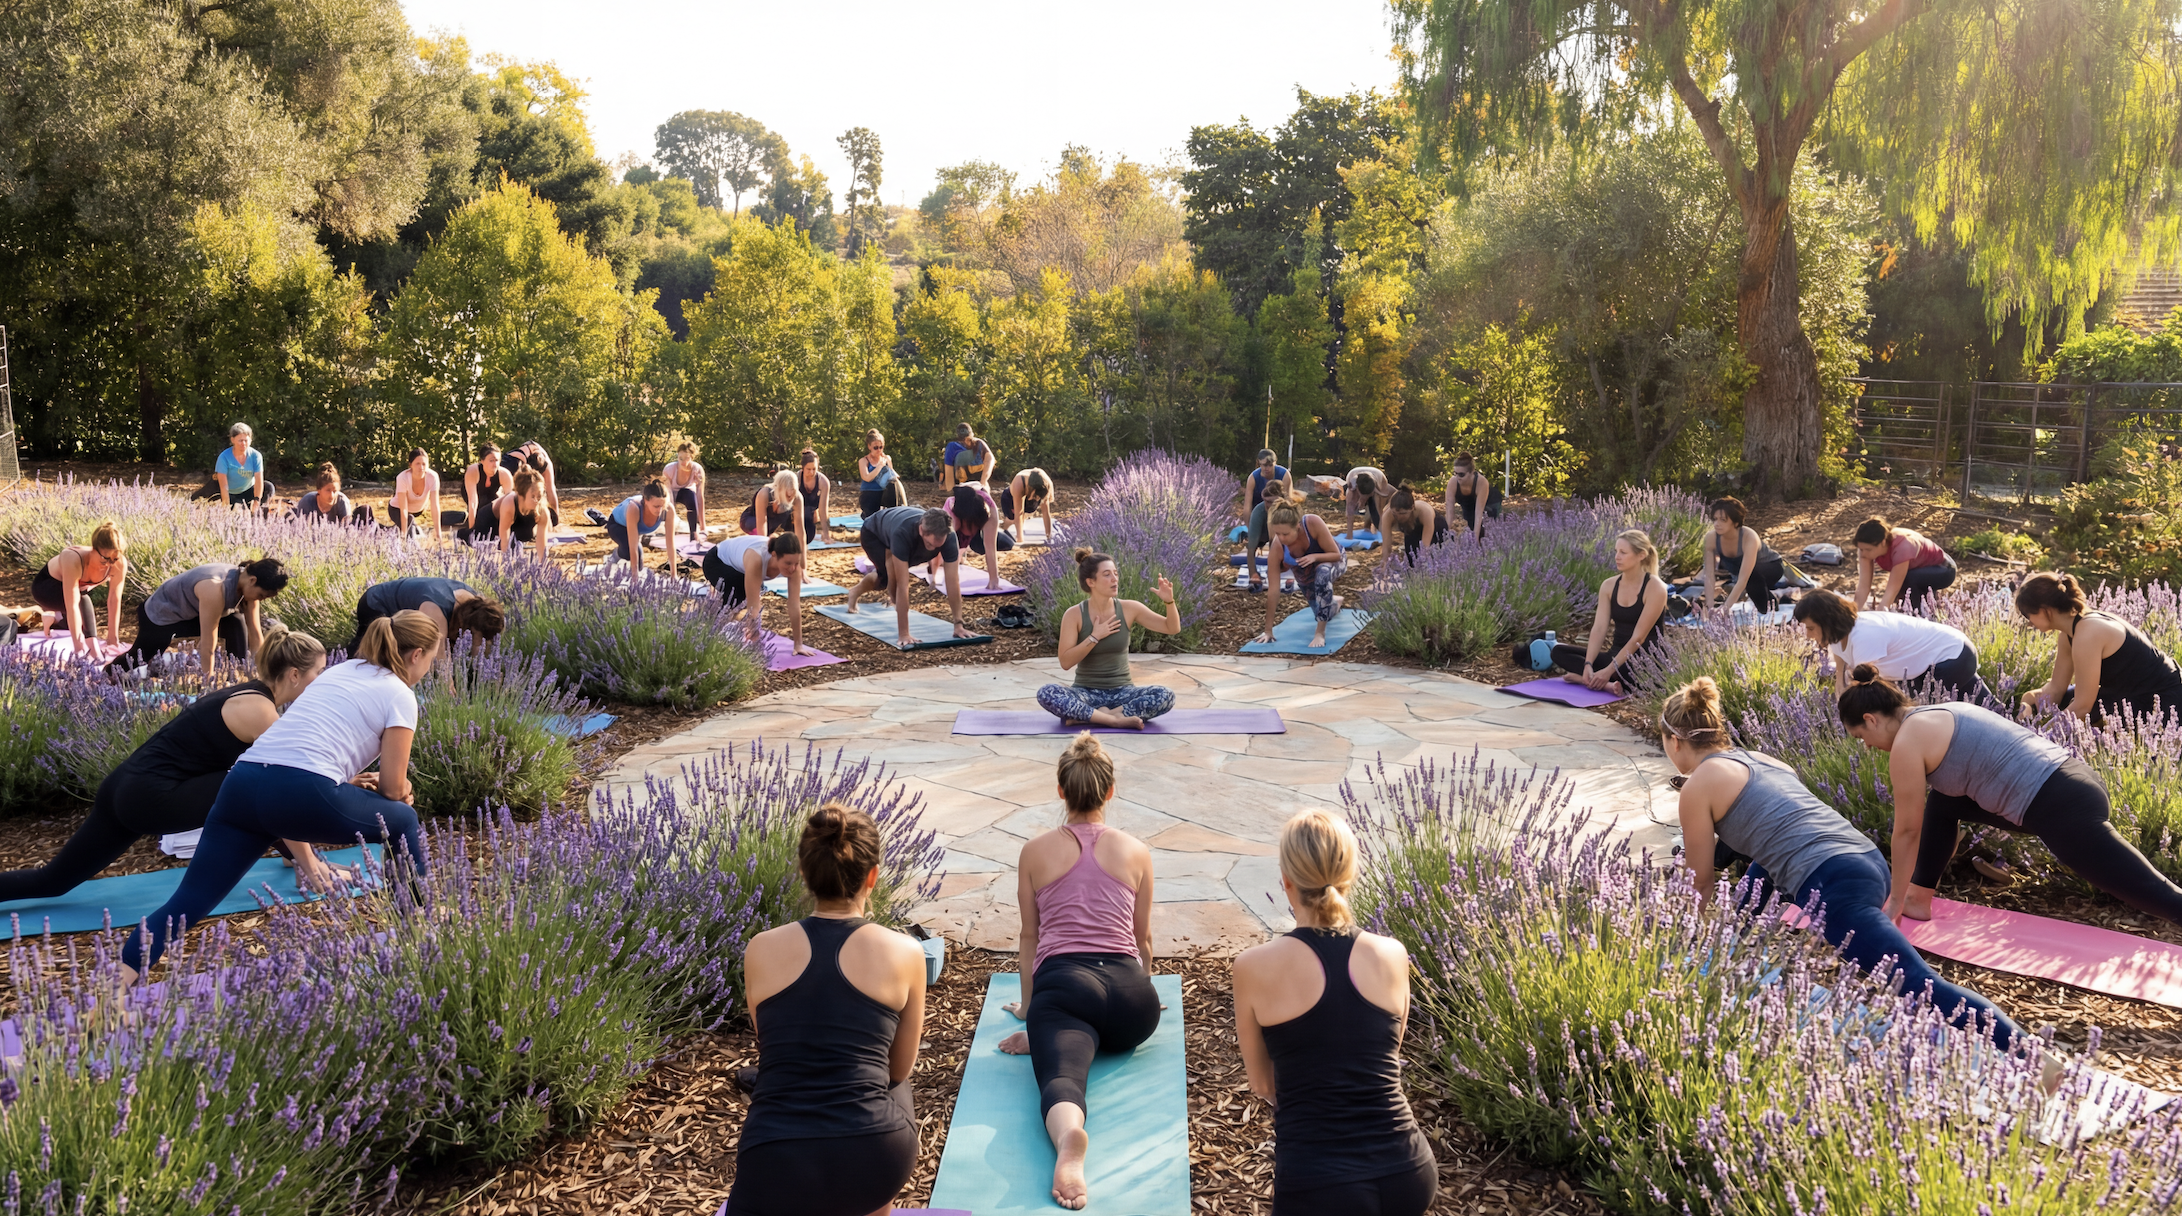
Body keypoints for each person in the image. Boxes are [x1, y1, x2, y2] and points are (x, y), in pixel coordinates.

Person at [1662, 677, 2022, 1048]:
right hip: (1866, 860)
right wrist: (1736, 924)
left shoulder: (1698, 786)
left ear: (1674, 741)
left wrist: (1684, 946)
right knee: (1910, 980)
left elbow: (1701, 882)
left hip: (1833, 883)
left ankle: (2029, 1054)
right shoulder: (1763, 760)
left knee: (1917, 984)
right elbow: (1771, 855)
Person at [119, 610, 442, 980]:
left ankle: (112, 992)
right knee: (402, 820)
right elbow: (391, 789)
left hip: (243, 783)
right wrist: (404, 791)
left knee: (189, 900)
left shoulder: (342, 670)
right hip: (299, 790)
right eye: (431, 660)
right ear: (416, 654)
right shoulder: (400, 695)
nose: (428, 669)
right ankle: (418, 930)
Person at [0, 630, 348, 905]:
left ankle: (295, 858)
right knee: (262, 785)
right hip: (153, 797)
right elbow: (277, 791)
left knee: (54, 881)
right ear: (294, 674)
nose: (324, 679)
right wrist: (308, 858)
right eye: (320, 671)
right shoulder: (262, 713)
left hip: (123, 787)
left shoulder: (245, 694)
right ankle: (306, 865)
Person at [1841, 665, 2182, 927]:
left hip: (2060, 807)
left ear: (1871, 720)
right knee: (1944, 802)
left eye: (1861, 736)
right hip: (2073, 781)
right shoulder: (1940, 712)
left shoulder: (1907, 743)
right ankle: (1919, 897)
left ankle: (1909, 900)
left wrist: (1893, 903)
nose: (1867, 746)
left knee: (2152, 893)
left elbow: (1907, 831)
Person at [1232, 811, 1437, 1216]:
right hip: (1408, 1170)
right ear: (1352, 874)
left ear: (1286, 881)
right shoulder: (1392, 954)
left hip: (1319, 1183)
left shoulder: (1253, 966)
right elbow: (1384, 1055)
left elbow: (1262, 1081)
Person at [731, 803, 927, 1216]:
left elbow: (774, 1042)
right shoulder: (906, 952)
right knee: (892, 1081)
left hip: (774, 1162)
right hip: (874, 1157)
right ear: (872, 877)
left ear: (803, 872)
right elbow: (898, 1070)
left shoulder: (760, 948)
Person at [997, 733, 1159, 1210]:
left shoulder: (1035, 851)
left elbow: (1030, 938)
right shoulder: (1137, 851)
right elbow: (1143, 938)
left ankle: (1070, 1136)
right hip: (1134, 1008)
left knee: (1062, 1077)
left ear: (1061, 790)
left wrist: (1031, 1011)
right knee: (1084, 1030)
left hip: (1067, 991)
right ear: (1110, 791)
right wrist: (1147, 987)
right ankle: (1062, 1032)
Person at [1036, 548, 1181, 729]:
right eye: (1107, 575)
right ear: (1091, 582)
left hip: (1123, 693)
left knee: (1165, 695)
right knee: (1047, 693)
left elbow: (1172, 628)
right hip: (1086, 693)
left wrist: (1169, 602)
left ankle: (1096, 717)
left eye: (1115, 573)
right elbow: (1066, 662)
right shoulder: (1074, 615)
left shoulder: (1129, 609)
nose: (1115, 579)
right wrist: (1094, 636)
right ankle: (1115, 720)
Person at [2018, 572, 2182, 725]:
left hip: (2160, 700)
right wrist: (2028, 701)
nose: (2029, 623)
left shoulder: (2088, 634)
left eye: (2028, 615)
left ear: (2045, 611)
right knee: (2063, 705)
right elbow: (2056, 689)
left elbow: (2082, 707)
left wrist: (2039, 735)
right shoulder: (2069, 633)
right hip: (2123, 693)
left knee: (2090, 723)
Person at [1793, 588, 1980, 699]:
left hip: (1953, 658)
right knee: (1985, 704)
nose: (1808, 636)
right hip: (1946, 653)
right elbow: (1842, 679)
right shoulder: (1837, 636)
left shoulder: (1864, 636)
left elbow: (1865, 691)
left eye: (1811, 628)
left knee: (1919, 713)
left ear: (1828, 621)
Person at [109, 558, 288, 673]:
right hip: (160, 617)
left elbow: (256, 636)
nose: (261, 600)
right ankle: (107, 674)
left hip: (189, 613)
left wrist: (261, 673)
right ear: (253, 580)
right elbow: (208, 643)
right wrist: (207, 684)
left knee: (236, 622)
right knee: (142, 656)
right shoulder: (215, 588)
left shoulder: (248, 588)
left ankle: (237, 674)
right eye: (262, 595)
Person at [1550, 529, 1669, 696]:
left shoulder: (1656, 588)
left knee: (1636, 674)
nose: (1617, 557)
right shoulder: (1609, 585)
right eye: (1616, 552)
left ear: (1641, 555)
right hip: (1615, 656)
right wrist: (1588, 664)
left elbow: (1638, 638)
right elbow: (1599, 628)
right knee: (1558, 652)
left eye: (1623, 552)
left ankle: (1596, 679)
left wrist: (1607, 671)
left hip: (1645, 660)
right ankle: (1600, 682)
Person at [845, 505, 974, 650]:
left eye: (938, 546)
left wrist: (958, 624)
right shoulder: (903, 532)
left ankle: (890, 599)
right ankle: (855, 592)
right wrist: (904, 634)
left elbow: (953, 581)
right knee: (886, 579)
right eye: (929, 544)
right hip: (875, 533)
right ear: (921, 530)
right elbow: (903, 584)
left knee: (892, 584)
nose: (932, 548)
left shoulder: (949, 537)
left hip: (898, 532)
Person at [1256, 489, 1348, 650]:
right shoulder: (1277, 548)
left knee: (1322, 574)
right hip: (1305, 573)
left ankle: (1320, 633)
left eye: (1285, 534)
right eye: (1278, 534)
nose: (1282, 538)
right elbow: (1273, 590)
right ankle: (1335, 602)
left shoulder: (1312, 523)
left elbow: (1335, 555)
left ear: (1297, 527)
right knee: (1321, 610)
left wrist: (1315, 557)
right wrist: (1268, 631)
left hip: (1331, 560)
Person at [703, 533, 813, 655]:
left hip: (740, 568)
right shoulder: (757, 558)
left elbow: (794, 604)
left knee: (744, 594)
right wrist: (755, 642)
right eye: (788, 563)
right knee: (737, 595)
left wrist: (798, 645)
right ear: (774, 555)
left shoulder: (794, 567)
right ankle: (710, 636)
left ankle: (717, 631)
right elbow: (754, 605)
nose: (793, 568)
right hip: (716, 561)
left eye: (796, 563)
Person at [34, 521, 126, 656]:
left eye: (114, 559)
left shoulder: (119, 564)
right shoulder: (73, 558)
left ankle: (56, 619)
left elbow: (114, 599)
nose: (108, 565)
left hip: (77, 590)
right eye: (104, 560)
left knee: (78, 612)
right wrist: (79, 647)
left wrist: (113, 640)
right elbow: (73, 604)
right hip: (46, 588)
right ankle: (92, 649)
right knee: (82, 600)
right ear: (93, 550)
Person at [349, 576, 505, 655]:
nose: (485, 644)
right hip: (376, 603)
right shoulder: (435, 610)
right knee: (375, 652)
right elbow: (438, 657)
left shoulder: (473, 604)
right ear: (468, 627)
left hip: (402, 607)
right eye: (480, 639)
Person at [1851, 517, 1956, 612]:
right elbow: (1863, 586)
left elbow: (1892, 589)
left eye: (1868, 550)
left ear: (1883, 542)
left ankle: (1918, 615)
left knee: (1907, 580)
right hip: (1918, 568)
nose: (1863, 554)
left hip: (1944, 569)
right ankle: (1924, 609)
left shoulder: (1902, 546)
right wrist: (1853, 614)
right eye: (1861, 549)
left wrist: (1880, 617)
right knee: (1906, 583)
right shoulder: (1865, 549)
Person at [1700, 496, 1785, 613]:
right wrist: (1710, 607)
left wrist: (1725, 609)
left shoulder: (1749, 537)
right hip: (1746, 574)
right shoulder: (1711, 538)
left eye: (1723, 520)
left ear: (1735, 523)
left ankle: (1768, 611)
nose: (1717, 524)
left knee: (1752, 580)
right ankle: (1770, 601)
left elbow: (1743, 579)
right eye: (1715, 519)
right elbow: (1709, 575)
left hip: (1771, 567)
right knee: (1753, 582)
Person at [937, 482, 1014, 590]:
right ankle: (962, 550)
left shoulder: (990, 511)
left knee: (1006, 544)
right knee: (944, 557)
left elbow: (990, 548)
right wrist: (936, 579)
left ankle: (966, 548)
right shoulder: (952, 512)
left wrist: (994, 580)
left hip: (978, 512)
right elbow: (944, 545)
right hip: (960, 510)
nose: (970, 531)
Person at [606, 480, 678, 575]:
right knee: (629, 552)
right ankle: (614, 556)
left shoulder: (668, 509)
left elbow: (670, 543)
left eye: (662, 505)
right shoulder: (634, 508)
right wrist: (635, 577)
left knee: (639, 564)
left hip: (636, 529)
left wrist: (674, 574)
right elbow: (633, 546)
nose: (659, 510)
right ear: (646, 501)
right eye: (656, 506)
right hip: (617, 525)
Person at [1241, 450, 1289, 580]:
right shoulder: (1253, 478)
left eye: (1269, 465)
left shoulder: (1284, 475)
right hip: (1260, 511)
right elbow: (1247, 507)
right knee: (1253, 543)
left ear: (1275, 463)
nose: (1266, 468)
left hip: (1280, 510)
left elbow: (1288, 501)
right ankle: (1254, 574)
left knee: (1280, 540)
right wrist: (1250, 530)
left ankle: (1278, 567)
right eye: (1263, 465)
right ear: (1259, 464)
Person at [1441, 452, 1502, 543]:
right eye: (1455, 473)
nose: (1458, 477)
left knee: (1485, 533)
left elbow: (1479, 513)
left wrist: (1475, 540)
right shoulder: (1453, 483)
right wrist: (1449, 535)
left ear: (1471, 473)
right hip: (1468, 505)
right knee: (1468, 529)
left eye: (1461, 474)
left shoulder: (1481, 482)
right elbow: (1449, 511)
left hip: (1490, 503)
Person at [460, 442, 514, 544]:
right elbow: (473, 501)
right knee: (478, 513)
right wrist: (473, 532)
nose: (495, 464)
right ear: (482, 461)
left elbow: (510, 502)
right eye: (491, 460)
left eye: (497, 460)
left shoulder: (504, 474)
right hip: (472, 494)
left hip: (491, 495)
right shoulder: (473, 471)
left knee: (494, 509)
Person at [386, 448, 442, 543]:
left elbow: (435, 506)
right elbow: (403, 508)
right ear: (410, 465)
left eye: (424, 464)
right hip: (397, 509)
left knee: (410, 523)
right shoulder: (402, 477)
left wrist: (438, 534)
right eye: (418, 464)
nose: (421, 467)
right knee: (409, 528)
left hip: (418, 510)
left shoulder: (433, 477)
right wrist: (403, 535)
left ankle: (404, 529)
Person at [214, 422, 273, 514]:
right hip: (230, 492)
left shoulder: (256, 456)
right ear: (232, 440)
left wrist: (257, 501)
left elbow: (258, 480)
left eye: (246, 440)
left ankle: (259, 513)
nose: (244, 443)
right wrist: (225, 508)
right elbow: (224, 486)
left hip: (247, 490)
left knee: (269, 487)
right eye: (240, 440)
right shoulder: (224, 457)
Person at [492, 469, 550, 562]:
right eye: (532, 496)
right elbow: (504, 539)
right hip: (491, 523)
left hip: (515, 529)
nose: (536, 500)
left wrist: (542, 566)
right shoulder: (509, 504)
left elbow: (541, 543)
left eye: (539, 496)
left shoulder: (542, 511)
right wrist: (506, 565)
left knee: (526, 535)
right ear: (521, 495)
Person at [739, 470, 807, 548]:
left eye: (793, 494)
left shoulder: (798, 497)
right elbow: (762, 524)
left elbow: (800, 530)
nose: (791, 497)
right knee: (764, 541)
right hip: (753, 520)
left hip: (773, 523)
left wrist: (802, 557)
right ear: (780, 490)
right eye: (787, 496)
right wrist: (764, 549)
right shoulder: (764, 494)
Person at [1382, 486, 1446, 566]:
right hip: (1412, 529)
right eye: (1395, 514)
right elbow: (1386, 548)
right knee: (1412, 560)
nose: (1398, 517)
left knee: (1438, 558)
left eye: (1402, 513)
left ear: (1412, 508)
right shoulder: (1387, 516)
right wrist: (1384, 567)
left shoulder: (1425, 512)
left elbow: (1425, 547)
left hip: (1436, 528)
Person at [504, 440, 562, 526]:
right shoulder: (518, 459)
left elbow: (551, 490)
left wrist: (556, 517)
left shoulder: (547, 465)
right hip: (514, 463)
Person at [288, 463, 358, 525]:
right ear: (319, 490)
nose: (332, 495)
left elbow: (346, 529)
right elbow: (300, 528)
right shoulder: (307, 502)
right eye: (328, 490)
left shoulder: (343, 502)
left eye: (335, 491)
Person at [999, 467, 1056, 543]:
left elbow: (1046, 512)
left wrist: (1049, 537)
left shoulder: (1046, 485)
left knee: (1029, 509)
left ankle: (1015, 521)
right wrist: (1020, 539)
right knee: (1013, 518)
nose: (1033, 499)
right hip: (1010, 498)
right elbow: (1019, 513)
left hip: (1029, 498)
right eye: (1034, 496)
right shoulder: (1019, 482)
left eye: (1037, 497)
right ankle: (1004, 525)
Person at [857, 429, 906, 517]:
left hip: (884, 493)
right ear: (869, 447)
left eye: (881, 447)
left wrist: (888, 463)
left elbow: (894, 477)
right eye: (875, 448)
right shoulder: (864, 461)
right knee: (872, 516)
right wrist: (880, 466)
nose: (879, 450)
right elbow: (867, 478)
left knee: (892, 490)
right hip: (869, 493)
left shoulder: (886, 458)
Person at [663, 442, 706, 535]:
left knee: (691, 497)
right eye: (680, 458)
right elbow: (668, 493)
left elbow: (700, 496)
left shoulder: (697, 470)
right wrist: (672, 518)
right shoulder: (669, 469)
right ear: (677, 456)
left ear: (691, 457)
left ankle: (693, 532)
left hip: (685, 492)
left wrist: (703, 526)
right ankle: (668, 528)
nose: (683, 462)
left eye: (687, 458)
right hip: (669, 493)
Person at [1341, 466, 1395, 539]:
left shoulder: (1381, 484)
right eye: (1363, 496)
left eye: (1368, 495)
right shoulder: (1352, 485)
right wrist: (1349, 536)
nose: (1365, 498)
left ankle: (1380, 533)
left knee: (1377, 511)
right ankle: (1362, 530)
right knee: (1351, 508)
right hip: (1355, 479)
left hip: (1378, 479)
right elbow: (1349, 512)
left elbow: (1384, 498)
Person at [793, 448, 832, 542]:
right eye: (808, 469)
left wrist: (826, 534)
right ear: (802, 468)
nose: (811, 472)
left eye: (814, 469)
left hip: (810, 514)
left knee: (809, 535)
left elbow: (823, 510)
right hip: (796, 514)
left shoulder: (823, 482)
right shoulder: (796, 479)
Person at [944, 422, 994, 492]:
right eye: (963, 440)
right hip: (962, 488)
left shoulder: (979, 443)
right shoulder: (952, 447)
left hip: (979, 485)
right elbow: (948, 472)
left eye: (968, 440)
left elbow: (990, 459)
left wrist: (983, 482)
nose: (966, 442)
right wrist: (952, 492)